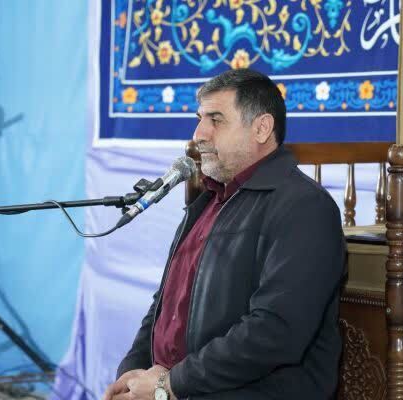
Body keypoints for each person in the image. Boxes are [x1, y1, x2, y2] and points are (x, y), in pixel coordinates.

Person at [103, 69, 346, 400]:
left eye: (215, 120)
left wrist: (169, 385)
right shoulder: (208, 202)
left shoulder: (304, 207)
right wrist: (132, 374)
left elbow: (274, 333)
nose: (198, 135)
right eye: (200, 119)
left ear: (261, 128)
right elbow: (165, 305)